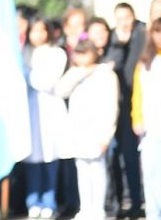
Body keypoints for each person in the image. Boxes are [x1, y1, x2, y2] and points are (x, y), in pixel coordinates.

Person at [55, 39, 118, 220]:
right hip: (77, 131)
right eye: (79, 53)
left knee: (97, 169)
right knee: (82, 170)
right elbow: (60, 90)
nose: (82, 56)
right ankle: (86, 208)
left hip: (98, 131)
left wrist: (106, 135)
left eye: (86, 52)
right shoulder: (74, 73)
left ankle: (98, 209)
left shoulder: (106, 73)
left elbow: (112, 106)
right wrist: (80, 72)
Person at [26, 18, 69, 220]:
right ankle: (33, 200)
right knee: (33, 157)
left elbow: (46, 81)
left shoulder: (57, 53)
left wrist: (28, 75)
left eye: (41, 30)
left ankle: (50, 201)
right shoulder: (25, 53)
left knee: (51, 156)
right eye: (33, 31)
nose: (37, 35)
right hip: (30, 111)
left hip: (50, 109)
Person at [132, 16, 161, 219]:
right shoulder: (145, 62)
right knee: (152, 177)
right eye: (158, 31)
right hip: (151, 130)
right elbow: (138, 95)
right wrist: (137, 119)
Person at [109, 3, 146, 219]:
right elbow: (114, 64)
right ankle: (117, 203)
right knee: (115, 157)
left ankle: (136, 201)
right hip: (116, 105)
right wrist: (119, 43)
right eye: (119, 17)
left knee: (132, 157)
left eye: (127, 16)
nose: (124, 21)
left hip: (136, 105)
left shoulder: (142, 34)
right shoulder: (114, 39)